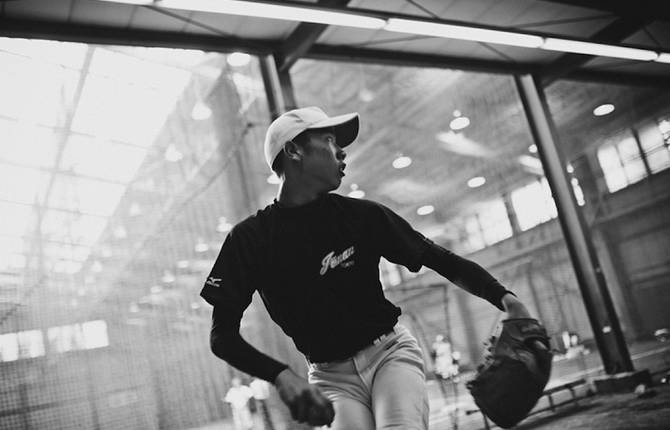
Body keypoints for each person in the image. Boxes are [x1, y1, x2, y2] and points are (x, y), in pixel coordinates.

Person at [201, 106, 535, 429]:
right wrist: (281, 375)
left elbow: (439, 259)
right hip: (329, 378)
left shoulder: (363, 217)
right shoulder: (250, 239)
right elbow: (222, 336)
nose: (342, 152)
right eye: (330, 141)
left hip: (389, 355)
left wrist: (507, 299)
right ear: (293, 151)